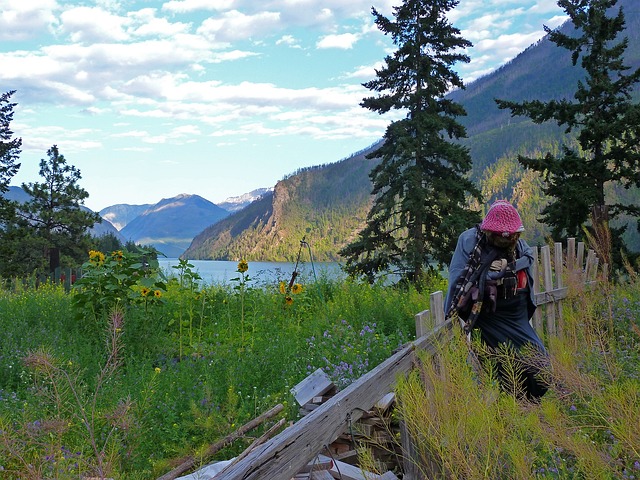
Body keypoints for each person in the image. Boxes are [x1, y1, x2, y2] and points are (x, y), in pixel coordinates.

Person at [445, 200, 549, 400]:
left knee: (541, 367)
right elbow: (457, 278)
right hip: (487, 315)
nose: (506, 238)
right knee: (500, 363)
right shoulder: (469, 241)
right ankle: (514, 405)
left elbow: (528, 261)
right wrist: (451, 311)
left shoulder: (520, 247)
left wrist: (505, 269)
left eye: (510, 235)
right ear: (488, 231)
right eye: (501, 235)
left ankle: (524, 400)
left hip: (514, 313)